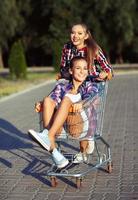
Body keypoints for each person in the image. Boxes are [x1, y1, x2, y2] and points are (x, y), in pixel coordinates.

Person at [33, 23, 113, 163]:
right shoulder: (67, 48)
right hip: (70, 85)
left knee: (76, 111)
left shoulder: (93, 49)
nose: (75, 36)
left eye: (80, 33)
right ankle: (52, 144)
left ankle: (78, 143)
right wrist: (46, 100)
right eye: (73, 32)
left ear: (86, 35)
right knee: (49, 102)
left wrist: (104, 74)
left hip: (88, 86)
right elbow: (64, 71)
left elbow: (109, 71)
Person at [28, 56, 99, 168]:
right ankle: (56, 153)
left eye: (85, 68)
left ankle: (48, 136)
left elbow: (92, 97)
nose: (82, 71)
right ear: (71, 70)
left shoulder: (89, 86)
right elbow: (52, 99)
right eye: (78, 68)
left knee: (66, 100)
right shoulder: (62, 86)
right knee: (47, 100)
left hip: (80, 127)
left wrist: (81, 103)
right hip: (61, 127)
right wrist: (41, 103)